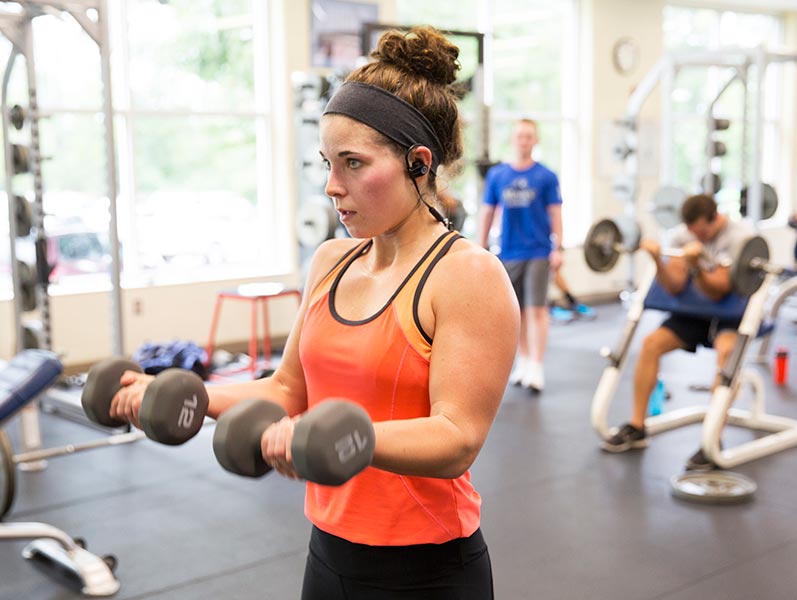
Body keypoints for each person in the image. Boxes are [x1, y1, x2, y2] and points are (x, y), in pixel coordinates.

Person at [110, 26, 519, 600]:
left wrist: (333, 437)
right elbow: (286, 391)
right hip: (326, 557)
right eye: (327, 162)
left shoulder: (467, 276)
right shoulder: (330, 260)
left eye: (353, 163)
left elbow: (457, 439)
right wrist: (179, 396)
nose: (332, 186)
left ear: (419, 164)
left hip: (427, 570)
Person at [602, 194, 753, 471]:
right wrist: (658, 261)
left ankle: (713, 441)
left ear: (715, 218)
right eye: (692, 231)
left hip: (731, 313)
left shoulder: (740, 237)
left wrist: (696, 264)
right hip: (695, 312)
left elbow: (720, 289)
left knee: (727, 352)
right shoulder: (683, 236)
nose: (696, 236)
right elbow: (673, 286)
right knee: (651, 344)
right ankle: (637, 426)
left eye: (702, 231)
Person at [477, 118, 563, 392]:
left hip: (538, 250)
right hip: (509, 251)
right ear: (512, 139)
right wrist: (480, 247)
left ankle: (537, 365)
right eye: (519, 136)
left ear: (535, 140)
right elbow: (488, 212)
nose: (524, 141)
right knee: (518, 312)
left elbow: (556, 213)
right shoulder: (497, 176)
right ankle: (524, 360)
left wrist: (558, 247)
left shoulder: (547, 177)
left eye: (529, 136)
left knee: (536, 309)